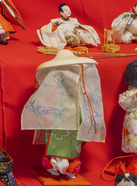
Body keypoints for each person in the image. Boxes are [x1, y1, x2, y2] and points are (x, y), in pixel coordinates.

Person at [21, 50, 106, 179]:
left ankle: (69, 169)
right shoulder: (53, 89)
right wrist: (46, 117)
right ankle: (54, 167)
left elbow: (85, 106)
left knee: (71, 147)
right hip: (56, 126)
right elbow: (46, 104)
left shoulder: (78, 89)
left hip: (73, 125)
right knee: (55, 148)